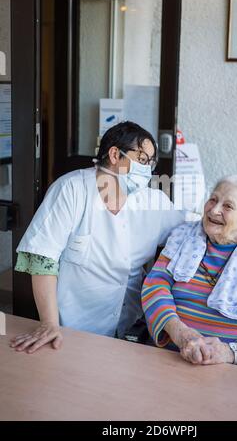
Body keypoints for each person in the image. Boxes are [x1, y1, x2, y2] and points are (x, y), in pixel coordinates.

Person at [11, 121, 184, 353]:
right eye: (142, 160)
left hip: (130, 327)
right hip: (72, 327)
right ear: (115, 154)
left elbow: (190, 235)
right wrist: (49, 323)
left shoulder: (153, 201)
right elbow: (43, 258)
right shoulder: (72, 189)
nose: (148, 170)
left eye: (150, 164)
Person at [142, 175, 237, 370]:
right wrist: (179, 332)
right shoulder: (182, 239)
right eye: (213, 200)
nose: (214, 210)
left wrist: (230, 352)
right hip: (170, 358)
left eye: (228, 206)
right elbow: (154, 287)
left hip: (234, 372)